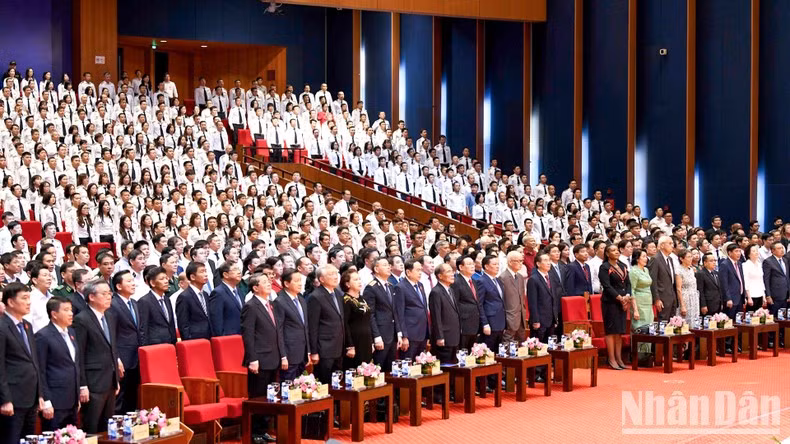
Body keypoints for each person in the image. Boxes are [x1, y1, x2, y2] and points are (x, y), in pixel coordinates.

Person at [241, 273, 285, 444]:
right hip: (259, 359)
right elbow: (248, 335)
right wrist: (252, 358)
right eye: (265, 282)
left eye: (269, 281)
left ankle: (263, 430)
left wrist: (282, 355)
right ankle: (254, 433)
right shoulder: (251, 306)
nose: (269, 284)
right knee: (258, 397)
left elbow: (277, 332)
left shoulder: (270, 304)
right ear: (255, 287)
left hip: (273, 357)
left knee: (269, 396)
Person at [73, 279, 120, 433]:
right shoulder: (81, 319)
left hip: (110, 380)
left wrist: (116, 379)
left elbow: (112, 348)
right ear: (91, 297)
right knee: (92, 427)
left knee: (107, 428)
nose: (109, 297)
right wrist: (82, 385)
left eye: (109, 293)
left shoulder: (110, 316)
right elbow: (79, 355)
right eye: (104, 294)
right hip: (93, 383)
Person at [0, 282, 43, 444]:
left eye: (29, 298)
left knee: (28, 439)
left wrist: (40, 394)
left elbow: (34, 362)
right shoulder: (2, 327)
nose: (29, 302)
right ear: (10, 302)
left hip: (31, 397)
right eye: (24, 298)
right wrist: (5, 400)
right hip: (12, 398)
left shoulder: (27, 325)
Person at [35, 297, 80, 431]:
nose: (71, 313)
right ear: (54, 314)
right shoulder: (43, 336)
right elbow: (40, 371)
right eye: (66, 310)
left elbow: (75, 364)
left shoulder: (71, 332)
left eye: (71, 310)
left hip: (72, 399)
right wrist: (46, 400)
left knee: (72, 437)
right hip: (54, 400)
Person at [109, 270, 141, 414]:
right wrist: (116, 358)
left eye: (133, 281)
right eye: (128, 281)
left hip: (136, 357)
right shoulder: (113, 304)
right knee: (120, 398)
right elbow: (111, 334)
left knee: (132, 396)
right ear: (118, 286)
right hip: (122, 358)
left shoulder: (134, 303)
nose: (133, 284)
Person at [307, 264, 344, 384]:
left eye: (336, 274)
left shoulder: (338, 293)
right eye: (331, 274)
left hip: (339, 347)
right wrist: (314, 352)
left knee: (338, 383)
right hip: (324, 349)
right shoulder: (315, 297)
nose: (335, 277)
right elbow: (312, 327)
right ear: (321, 279)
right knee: (325, 383)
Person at [362, 257, 401, 372]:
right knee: (379, 369)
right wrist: (376, 336)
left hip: (392, 334)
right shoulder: (371, 288)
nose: (389, 267)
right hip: (381, 335)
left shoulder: (390, 286)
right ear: (376, 269)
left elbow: (394, 311)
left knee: (391, 370)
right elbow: (370, 314)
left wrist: (398, 332)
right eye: (385, 265)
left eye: (389, 265)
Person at [273, 269, 309, 381]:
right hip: (289, 354)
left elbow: (305, 327)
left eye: (300, 280)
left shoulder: (301, 299)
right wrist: (283, 356)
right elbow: (279, 330)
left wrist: (308, 350)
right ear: (286, 283)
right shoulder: (279, 301)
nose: (300, 283)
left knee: (301, 385)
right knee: (288, 386)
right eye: (296, 281)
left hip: (302, 353)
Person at [599, 243, 631, 370]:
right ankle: (611, 359)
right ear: (607, 254)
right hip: (610, 302)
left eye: (617, 250)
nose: (617, 252)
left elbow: (628, 283)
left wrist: (627, 295)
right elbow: (606, 286)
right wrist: (619, 298)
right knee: (611, 331)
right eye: (613, 250)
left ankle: (619, 358)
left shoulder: (623, 265)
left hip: (623, 301)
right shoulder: (604, 267)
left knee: (619, 331)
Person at [393, 259, 428, 360]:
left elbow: (423, 308)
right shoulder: (400, 287)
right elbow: (399, 314)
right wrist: (404, 336)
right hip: (410, 334)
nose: (420, 273)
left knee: (421, 364)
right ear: (408, 272)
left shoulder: (420, 285)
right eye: (418, 270)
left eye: (421, 270)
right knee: (408, 364)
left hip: (422, 333)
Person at [429, 263, 461, 364]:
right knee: (445, 366)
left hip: (454, 336)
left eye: (452, 271)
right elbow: (436, 317)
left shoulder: (450, 290)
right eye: (448, 272)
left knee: (455, 367)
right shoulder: (436, 292)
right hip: (444, 338)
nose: (452, 274)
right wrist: (439, 336)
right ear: (440, 276)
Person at [341, 269, 372, 368]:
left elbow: (368, 321)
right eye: (355, 280)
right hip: (355, 340)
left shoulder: (362, 298)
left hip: (366, 339)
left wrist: (371, 341)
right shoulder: (346, 300)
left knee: (367, 369)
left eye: (359, 279)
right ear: (347, 284)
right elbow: (345, 324)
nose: (359, 281)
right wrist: (350, 346)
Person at [138, 267, 177, 345]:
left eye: (166, 278)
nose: (166, 281)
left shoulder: (167, 299)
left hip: (170, 344)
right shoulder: (144, 301)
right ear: (152, 283)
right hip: (154, 345)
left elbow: (171, 323)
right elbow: (143, 328)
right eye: (162, 279)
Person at [176, 262, 212, 340]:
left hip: (209, 337)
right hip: (194, 339)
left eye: (205, 271)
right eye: (202, 272)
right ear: (192, 277)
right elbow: (183, 323)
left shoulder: (205, 294)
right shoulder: (184, 296)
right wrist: (188, 341)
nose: (206, 274)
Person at [476, 255, 505, 353]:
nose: (497, 266)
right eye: (494, 264)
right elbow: (479, 304)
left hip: (500, 321)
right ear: (486, 266)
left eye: (498, 264)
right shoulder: (481, 281)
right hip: (490, 322)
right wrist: (484, 323)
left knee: (498, 353)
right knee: (489, 352)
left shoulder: (498, 280)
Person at [629, 249, 653, 363]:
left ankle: (647, 355)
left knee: (649, 328)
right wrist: (635, 309)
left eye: (646, 256)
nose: (646, 258)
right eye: (643, 256)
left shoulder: (646, 270)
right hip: (638, 302)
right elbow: (632, 290)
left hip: (648, 302)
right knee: (639, 328)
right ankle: (638, 357)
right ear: (637, 258)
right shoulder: (633, 271)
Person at [452, 255, 481, 351]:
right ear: (461, 267)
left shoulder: (474, 281)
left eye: (473, 264)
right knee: (462, 352)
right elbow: (455, 305)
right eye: (469, 264)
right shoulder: (456, 282)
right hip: (463, 325)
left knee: (472, 353)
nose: (473, 266)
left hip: (474, 324)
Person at [208, 261, 244, 336]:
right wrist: (222, 337)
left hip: (241, 335)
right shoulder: (218, 293)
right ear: (225, 274)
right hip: (227, 337)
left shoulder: (239, 291)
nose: (239, 272)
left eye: (239, 269)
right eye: (235, 269)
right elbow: (216, 320)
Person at [500, 251, 527, 343]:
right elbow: (502, 300)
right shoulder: (503, 277)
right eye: (518, 261)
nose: (521, 263)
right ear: (510, 262)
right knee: (508, 344)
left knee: (521, 344)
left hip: (521, 316)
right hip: (509, 317)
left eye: (522, 261)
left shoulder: (520, 277)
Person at [649, 236, 679, 321]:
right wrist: (657, 299)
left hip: (672, 296)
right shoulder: (655, 259)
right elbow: (653, 281)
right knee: (663, 322)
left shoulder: (670, 259)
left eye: (672, 243)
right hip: (662, 297)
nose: (672, 245)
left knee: (672, 322)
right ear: (662, 245)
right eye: (670, 243)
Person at [720, 243, 748, 320]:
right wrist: (728, 298)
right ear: (729, 253)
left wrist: (744, 296)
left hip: (740, 298)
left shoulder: (739, 264)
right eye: (736, 251)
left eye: (739, 251)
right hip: (731, 299)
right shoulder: (725, 264)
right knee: (730, 321)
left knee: (739, 321)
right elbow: (724, 283)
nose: (739, 253)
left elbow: (741, 280)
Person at [674, 249, 700, 326]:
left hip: (694, 297)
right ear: (681, 259)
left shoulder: (691, 269)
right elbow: (678, 289)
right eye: (688, 257)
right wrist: (682, 305)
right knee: (685, 322)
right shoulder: (679, 270)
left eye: (691, 256)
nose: (691, 258)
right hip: (685, 298)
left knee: (695, 321)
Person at [742, 244, 766, 309]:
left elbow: (761, 280)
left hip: (760, 293)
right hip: (751, 294)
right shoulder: (745, 265)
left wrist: (764, 295)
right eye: (753, 251)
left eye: (757, 251)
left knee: (759, 313)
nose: (756, 252)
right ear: (748, 254)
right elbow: (746, 281)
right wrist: (749, 297)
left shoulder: (759, 265)